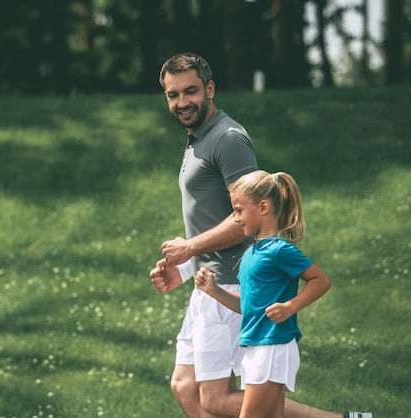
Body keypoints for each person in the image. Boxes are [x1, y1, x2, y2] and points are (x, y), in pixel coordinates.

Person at [149, 52, 373, 418]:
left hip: (234, 285)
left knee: (218, 399)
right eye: (173, 95)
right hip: (209, 282)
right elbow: (217, 216)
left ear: (209, 89)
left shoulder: (227, 138)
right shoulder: (198, 138)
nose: (182, 102)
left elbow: (246, 216)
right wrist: (187, 266)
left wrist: (189, 247)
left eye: (190, 91)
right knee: (184, 387)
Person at [194, 170, 330, 418]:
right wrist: (213, 291)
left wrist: (290, 306)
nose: (235, 218)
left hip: (272, 346)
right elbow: (249, 307)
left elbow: (320, 280)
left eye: (238, 210)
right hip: (256, 348)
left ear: (264, 207)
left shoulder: (280, 250)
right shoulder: (251, 254)